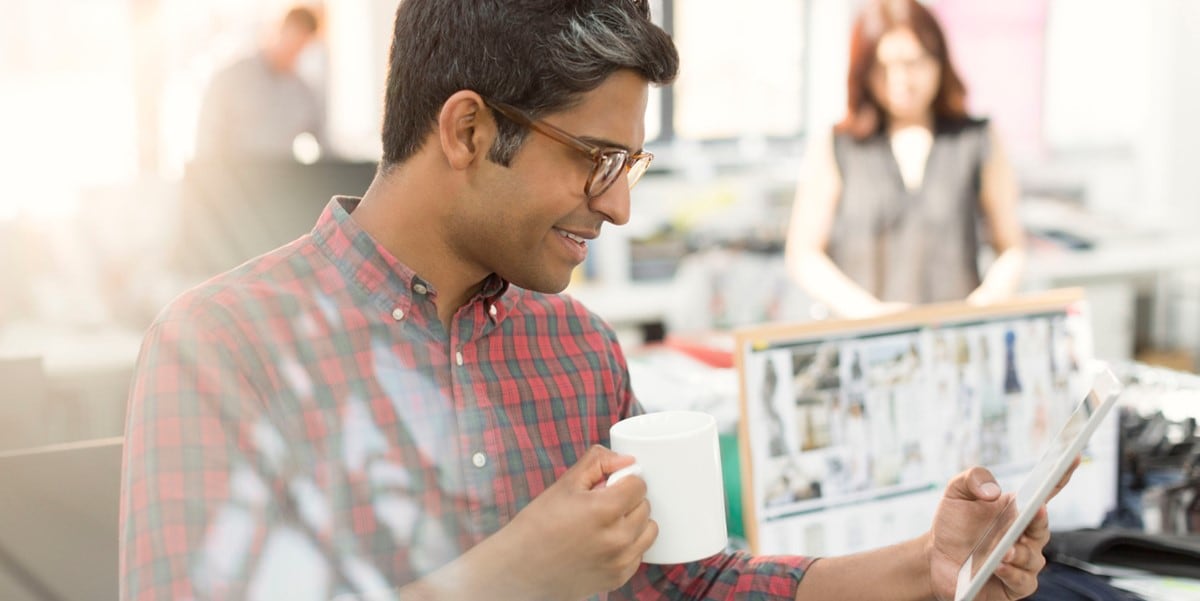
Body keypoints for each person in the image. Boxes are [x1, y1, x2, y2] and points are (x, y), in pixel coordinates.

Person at [121, 1, 1069, 599]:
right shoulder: (223, 347)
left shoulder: (577, 349)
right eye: (596, 159)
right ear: (466, 128)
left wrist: (927, 566)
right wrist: (505, 580)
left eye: (633, 163)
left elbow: (693, 579)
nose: (618, 205)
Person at [785, 0, 1026, 319]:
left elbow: (1011, 246)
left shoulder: (975, 139)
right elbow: (804, 253)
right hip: (865, 341)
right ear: (864, 70)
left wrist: (989, 298)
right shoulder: (839, 145)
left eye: (914, 63)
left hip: (953, 340)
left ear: (938, 60)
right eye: (884, 68)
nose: (901, 80)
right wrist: (865, 311)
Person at [194, 5, 325, 161]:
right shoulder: (232, 78)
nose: (293, 52)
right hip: (233, 178)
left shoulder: (303, 93)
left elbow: (322, 145)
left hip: (280, 179)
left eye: (300, 47)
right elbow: (207, 139)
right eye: (291, 41)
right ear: (279, 31)